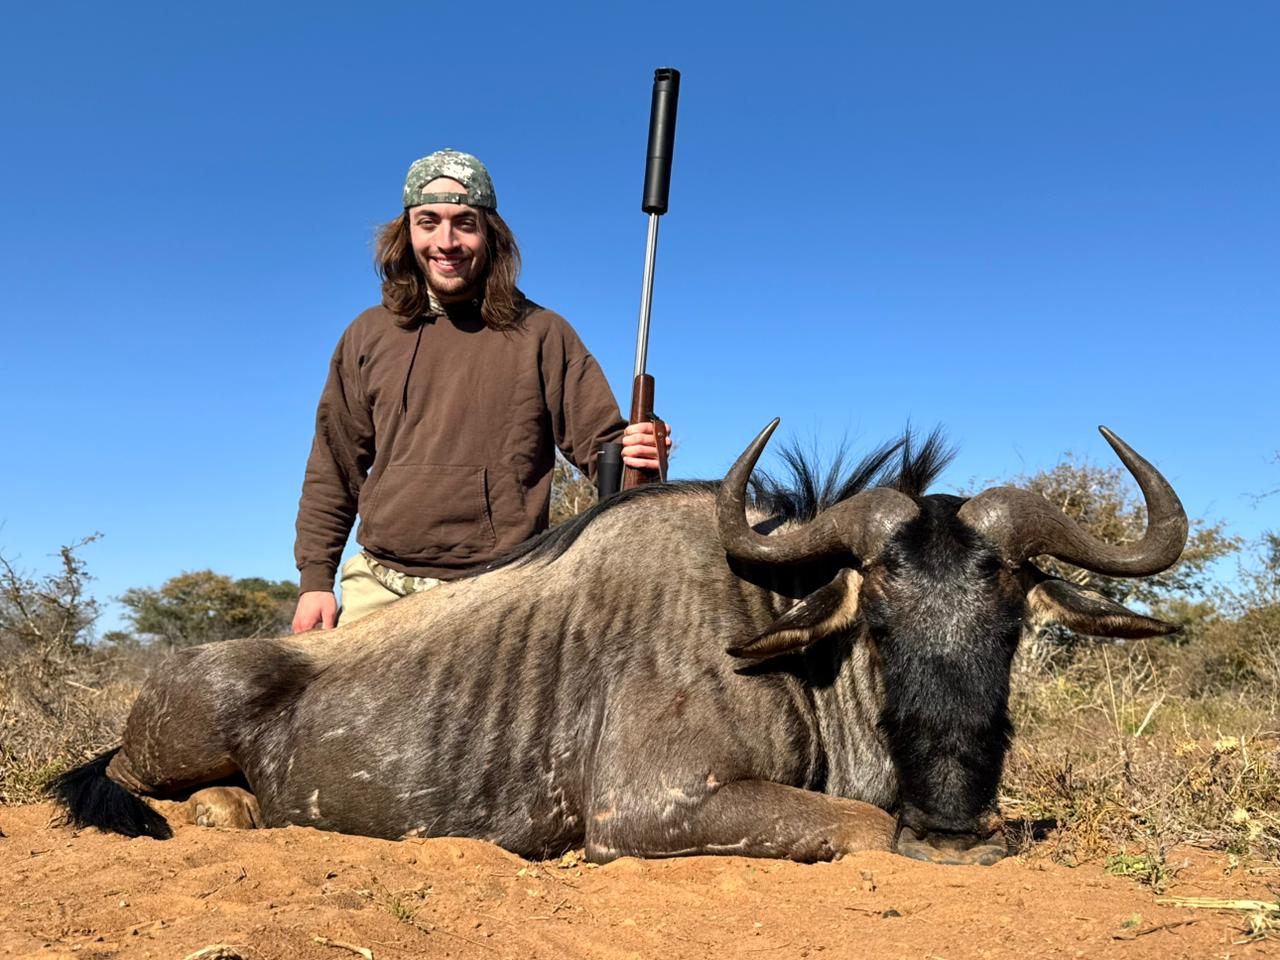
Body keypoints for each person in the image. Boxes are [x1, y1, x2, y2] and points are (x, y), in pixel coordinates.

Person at [292, 149, 667, 632]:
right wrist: (315, 580)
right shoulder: (367, 334)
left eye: (464, 224)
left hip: (505, 592)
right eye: (429, 222)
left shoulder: (543, 333)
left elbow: (606, 448)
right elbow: (334, 464)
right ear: (407, 232)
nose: (446, 242)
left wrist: (643, 452)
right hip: (381, 586)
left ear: (490, 233)